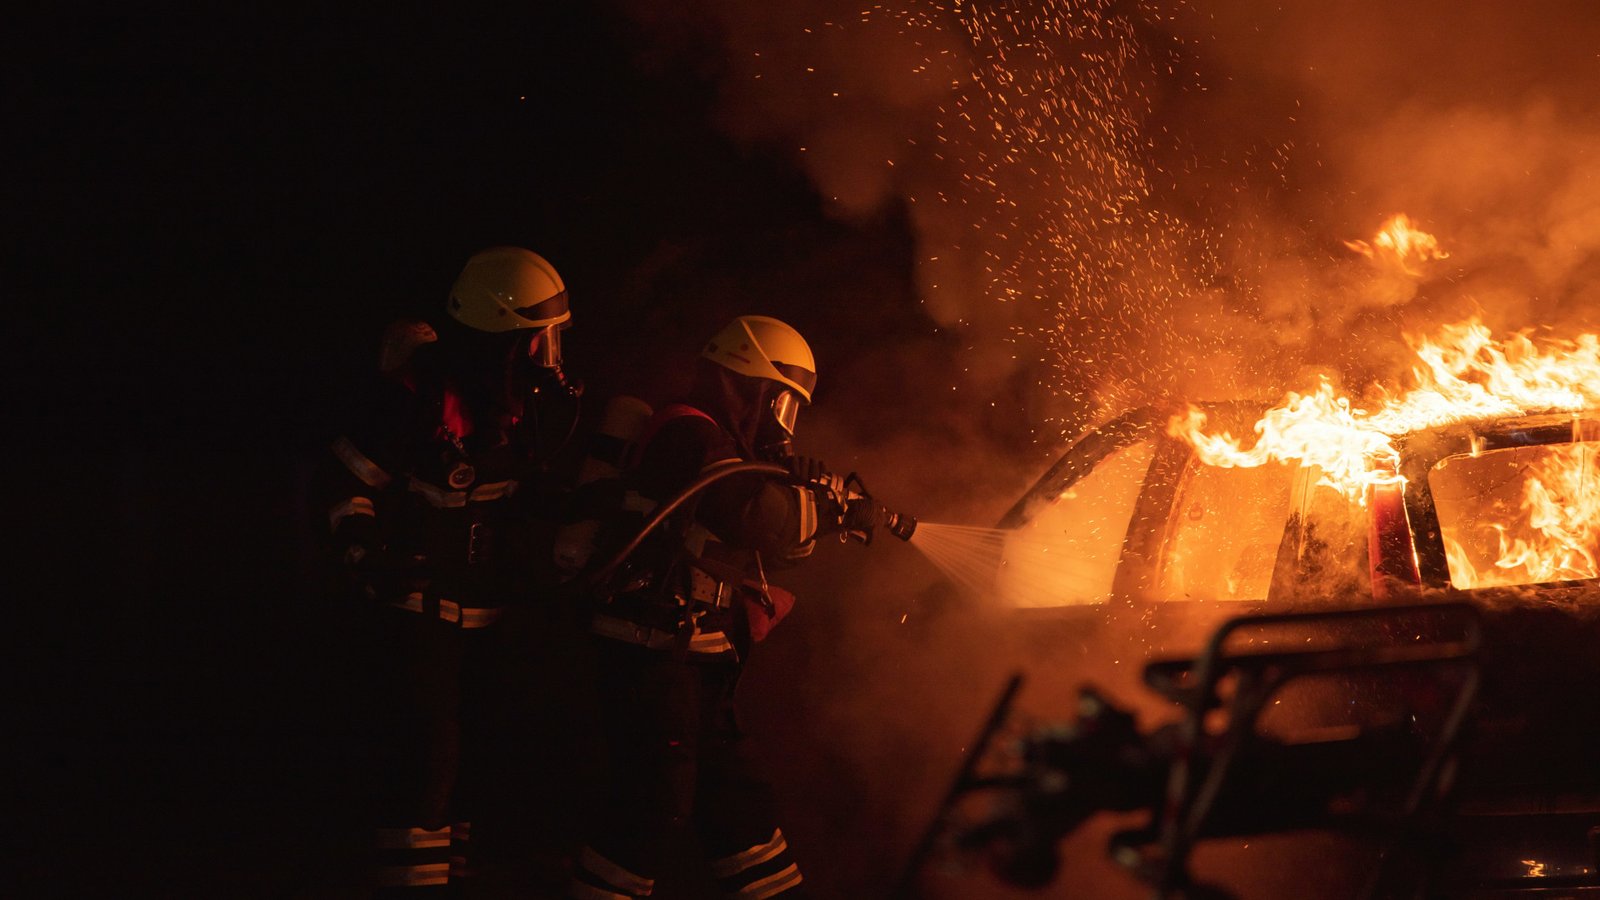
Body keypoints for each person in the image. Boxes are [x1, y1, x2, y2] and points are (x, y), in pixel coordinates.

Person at [568, 315, 884, 900]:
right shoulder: (686, 433)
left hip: (698, 655)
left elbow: (778, 546)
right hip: (650, 651)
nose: (784, 424)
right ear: (751, 388)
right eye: (783, 405)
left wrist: (813, 497)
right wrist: (837, 510)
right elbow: (751, 516)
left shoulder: (726, 444)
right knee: (653, 805)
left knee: (737, 803)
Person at [318, 246, 581, 896]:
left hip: (488, 619)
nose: (550, 356)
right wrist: (365, 552)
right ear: (505, 340)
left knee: (477, 769)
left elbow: (528, 499)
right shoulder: (416, 400)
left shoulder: (516, 409)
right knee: (426, 768)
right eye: (540, 341)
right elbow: (349, 487)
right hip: (420, 613)